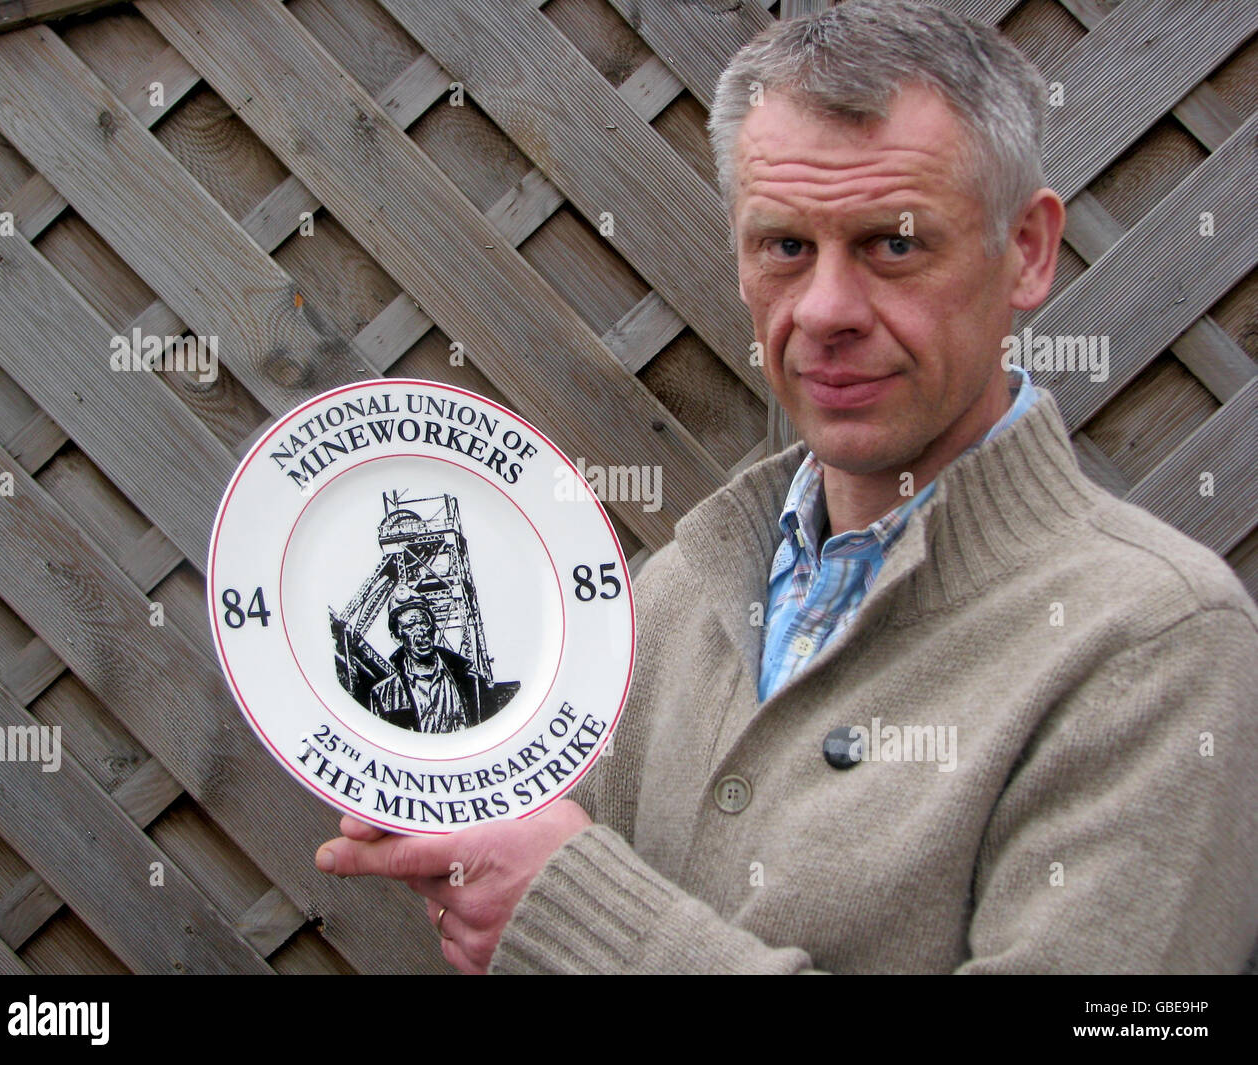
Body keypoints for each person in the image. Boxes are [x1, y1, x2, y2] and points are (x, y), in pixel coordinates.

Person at [315, 0, 1258, 973]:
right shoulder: (671, 596)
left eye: (893, 245)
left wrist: (577, 921)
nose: (827, 311)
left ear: (1026, 249)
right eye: (785, 247)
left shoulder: (1158, 642)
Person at [370, 599, 496, 733]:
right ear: (396, 637)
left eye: (424, 623)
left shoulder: (472, 682)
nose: (420, 632)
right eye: (410, 626)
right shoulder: (382, 694)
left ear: (434, 629)